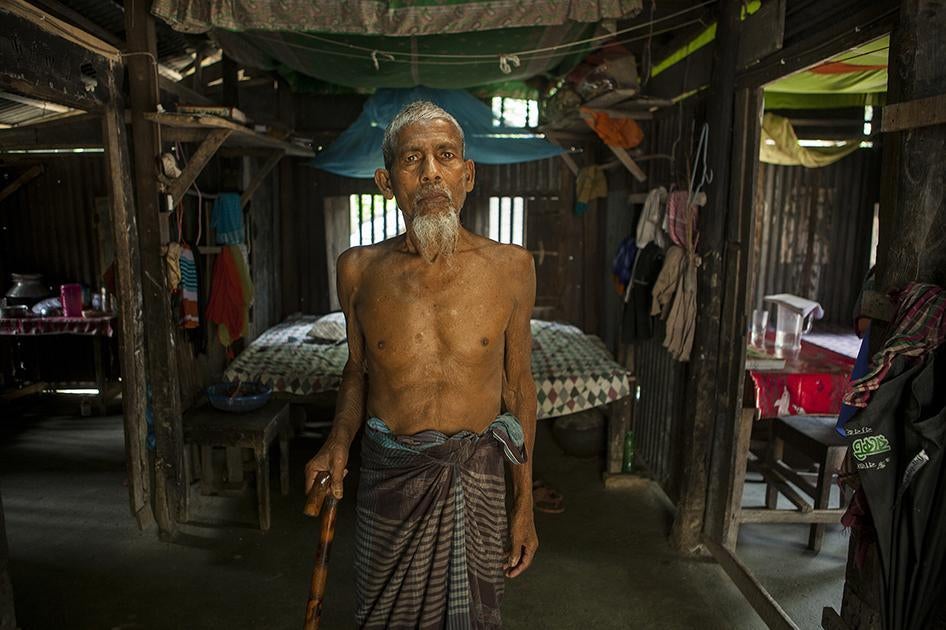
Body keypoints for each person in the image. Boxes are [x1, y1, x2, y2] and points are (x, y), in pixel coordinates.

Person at [304, 100, 538, 629]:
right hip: (391, 483)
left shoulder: (512, 268)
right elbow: (356, 372)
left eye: (446, 155)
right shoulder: (359, 270)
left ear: (467, 174)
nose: (431, 172)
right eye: (412, 159)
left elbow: (520, 388)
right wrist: (338, 442)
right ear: (387, 182)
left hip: (477, 483)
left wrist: (523, 505)